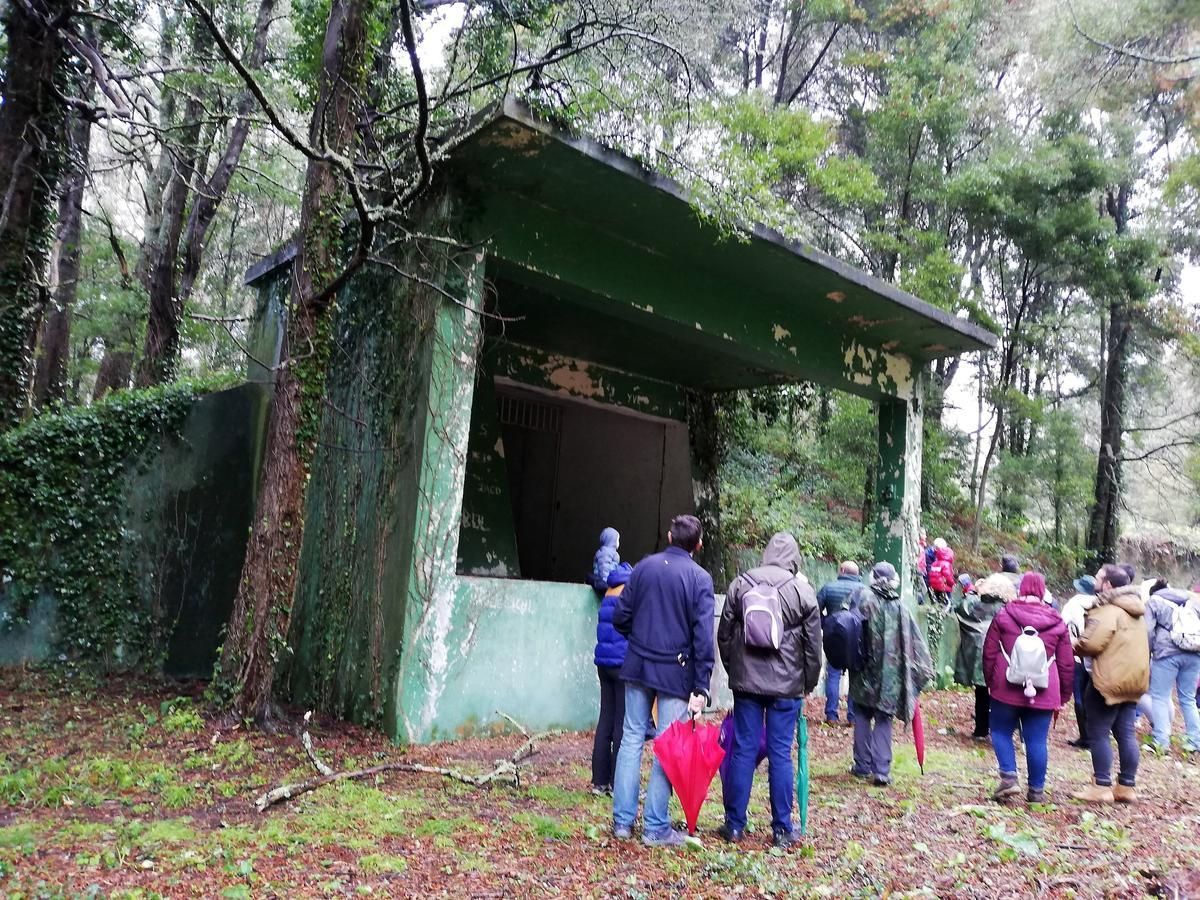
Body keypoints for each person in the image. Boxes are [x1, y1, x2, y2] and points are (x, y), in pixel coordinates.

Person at [611, 514, 715, 847]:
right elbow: (702, 637)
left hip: (638, 664)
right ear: (698, 545)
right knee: (667, 747)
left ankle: (622, 823)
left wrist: (639, 640)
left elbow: (620, 616)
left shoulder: (643, 567)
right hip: (676, 672)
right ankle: (655, 828)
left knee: (630, 738)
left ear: (669, 536)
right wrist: (701, 685)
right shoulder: (700, 578)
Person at [717, 533, 822, 847]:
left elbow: (724, 635)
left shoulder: (740, 584)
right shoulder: (802, 592)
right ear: (794, 559)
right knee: (780, 754)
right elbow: (813, 648)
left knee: (744, 750)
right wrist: (809, 683)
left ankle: (734, 825)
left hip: (746, 683)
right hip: (787, 686)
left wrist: (734, 670)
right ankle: (781, 829)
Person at [982, 572, 1073, 803]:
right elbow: (1066, 662)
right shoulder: (1057, 621)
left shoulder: (1004, 615)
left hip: (1006, 686)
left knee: (1001, 731)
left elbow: (989, 652)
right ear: (1043, 592)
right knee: (1036, 740)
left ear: (1020, 589)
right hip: (1044, 689)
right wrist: (1063, 695)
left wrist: (991, 682)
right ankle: (1036, 791)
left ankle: (1009, 778)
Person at [849, 562, 935, 787]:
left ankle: (861, 765)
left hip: (863, 670)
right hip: (891, 673)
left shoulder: (861, 599)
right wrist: (919, 672)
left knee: (862, 715)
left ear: (872, 577)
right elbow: (917, 643)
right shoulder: (901, 607)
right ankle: (882, 771)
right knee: (884, 718)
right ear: (894, 580)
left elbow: (846, 628)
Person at [1072, 564, 1149, 804]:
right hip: (1132, 681)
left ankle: (1101, 786)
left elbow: (1091, 644)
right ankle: (1126, 786)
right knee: (1126, 733)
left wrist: (1074, 642)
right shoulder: (1136, 611)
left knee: (1098, 732)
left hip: (1107, 681)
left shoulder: (1108, 610)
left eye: (1098, 577)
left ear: (1107, 585)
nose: (1095, 580)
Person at [955, 574, 1015, 740]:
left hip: (978, 657)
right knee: (1001, 693)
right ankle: (1001, 729)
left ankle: (981, 729)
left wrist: (972, 590)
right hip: (1001, 656)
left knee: (981, 693)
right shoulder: (1009, 609)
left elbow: (958, 605)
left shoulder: (975, 605)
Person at [591, 562, 632, 795]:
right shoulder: (629, 592)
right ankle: (618, 783)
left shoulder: (609, 591)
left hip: (603, 664)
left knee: (605, 718)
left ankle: (599, 781)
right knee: (621, 723)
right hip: (622, 664)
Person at [1144, 584, 1200, 754]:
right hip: (1194, 652)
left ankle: (1161, 742)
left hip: (1167, 653)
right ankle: (1195, 741)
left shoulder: (1153, 601)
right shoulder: (1191, 599)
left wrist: (1149, 652)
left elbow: (1147, 630)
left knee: (1160, 697)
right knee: (1188, 699)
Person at [816, 562, 862, 725]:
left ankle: (831, 715)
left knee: (833, 675)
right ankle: (853, 717)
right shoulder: (864, 591)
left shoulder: (828, 588)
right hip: (857, 639)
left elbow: (815, 610)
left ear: (842, 571)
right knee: (855, 677)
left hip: (834, 638)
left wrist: (826, 623)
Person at [1061, 575, 1098, 749]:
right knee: (1093, 695)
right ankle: (1095, 735)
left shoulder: (1072, 605)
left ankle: (1085, 736)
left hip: (1075, 654)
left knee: (1079, 695)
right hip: (1096, 655)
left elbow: (1063, 627)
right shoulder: (1101, 603)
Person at [589, 527, 621, 595]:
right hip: (606, 581)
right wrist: (605, 583)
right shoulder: (606, 552)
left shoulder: (611, 552)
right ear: (611, 540)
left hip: (610, 580)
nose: (618, 542)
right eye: (617, 540)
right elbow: (604, 566)